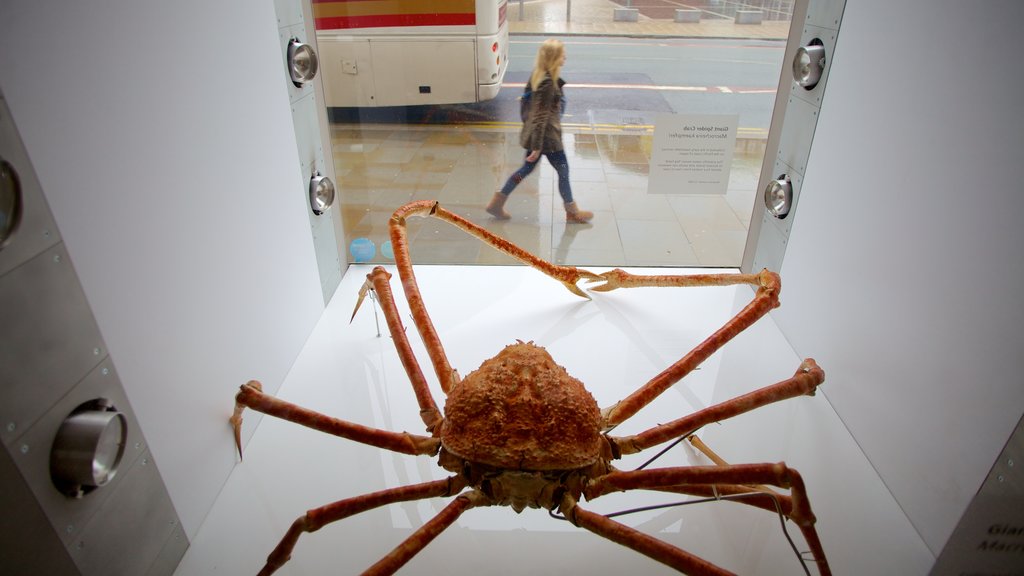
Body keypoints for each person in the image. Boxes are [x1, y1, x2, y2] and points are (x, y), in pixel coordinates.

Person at [487, 39, 593, 223]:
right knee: (563, 172)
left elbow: (531, 111)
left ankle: (497, 203)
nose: (565, 57)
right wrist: (536, 148)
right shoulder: (547, 84)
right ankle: (572, 212)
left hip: (540, 136)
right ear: (553, 57)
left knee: (526, 169)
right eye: (562, 54)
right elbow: (540, 116)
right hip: (548, 138)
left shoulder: (539, 76)